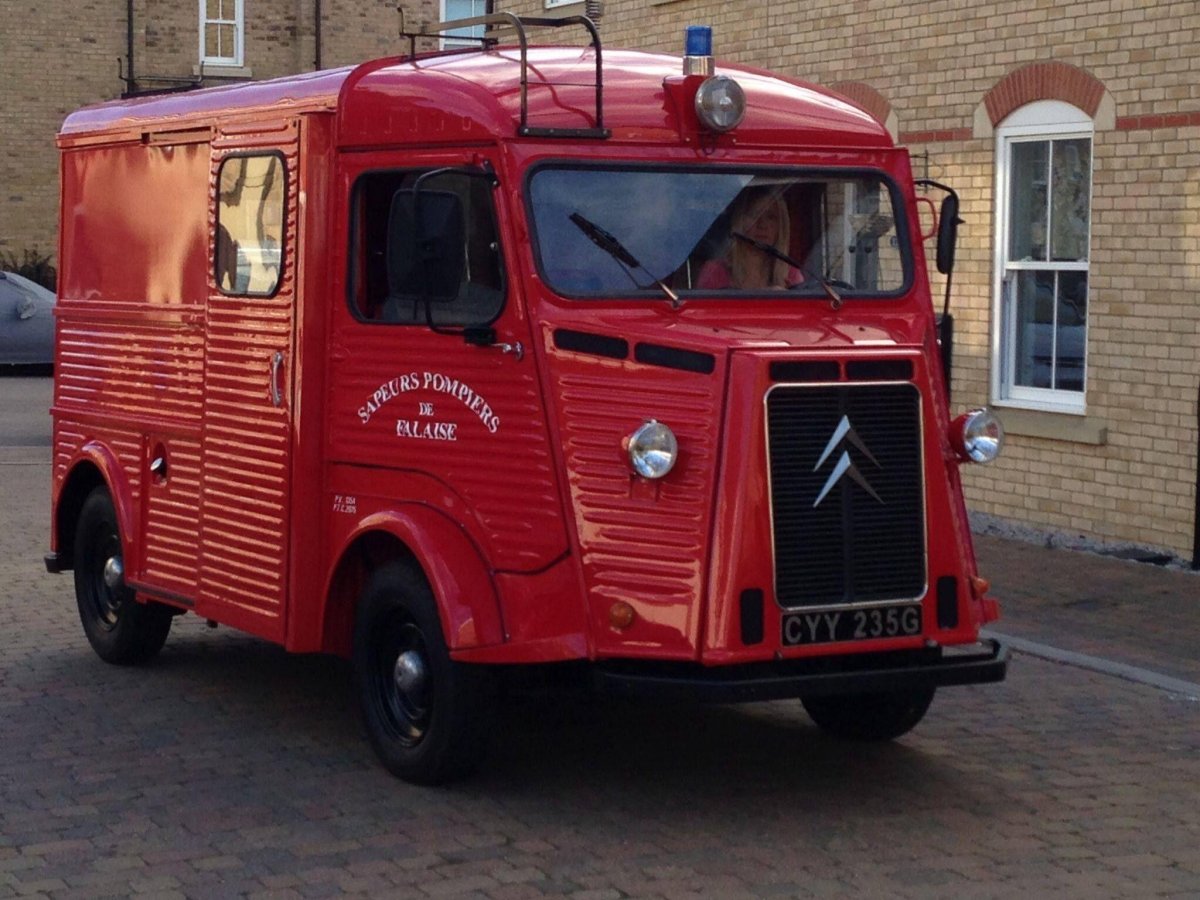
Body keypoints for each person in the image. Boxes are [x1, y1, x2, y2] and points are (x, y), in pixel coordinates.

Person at [697, 188, 802, 290]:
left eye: (771, 217)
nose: (762, 224)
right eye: (754, 215)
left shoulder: (792, 275)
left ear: (780, 226)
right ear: (739, 221)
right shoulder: (716, 271)